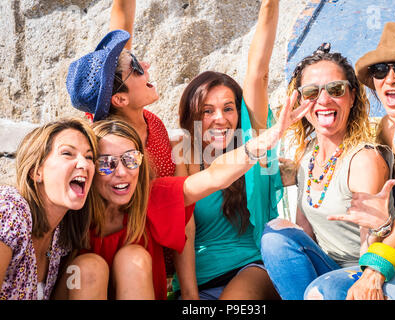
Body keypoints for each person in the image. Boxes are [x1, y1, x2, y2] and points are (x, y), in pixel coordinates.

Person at [54, 87, 309, 299]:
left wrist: (264, 140)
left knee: (132, 257)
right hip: (80, 288)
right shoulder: (75, 204)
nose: (121, 172)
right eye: (106, 163)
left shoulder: (151, 197)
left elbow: (213, 176)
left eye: (130, 159)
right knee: (89, 267)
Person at [303, 21, 395, 300]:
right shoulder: (390, 129)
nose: (390, 79)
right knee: (323, 291)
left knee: (384, 291)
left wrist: (376, 270)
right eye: (381, 70)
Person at [259, 42, 395, 300]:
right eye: (311, 92)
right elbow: (304, 232)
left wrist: (369, 276)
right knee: (275, 234)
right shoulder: (307, 155)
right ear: (300, 101)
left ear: (352, 96)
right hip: (332, 268)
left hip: (377, 269)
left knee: (323, 291)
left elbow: (372, 243)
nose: (323, 100)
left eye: (336, 89)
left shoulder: (363, 159)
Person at [65, 0, 195, 289]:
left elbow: (180, 208)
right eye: (137, 66)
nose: (146, 64)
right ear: (119, 99)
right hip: (94, 270)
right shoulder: (100, 138)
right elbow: (119, 28)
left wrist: (190, 295)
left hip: (144, 262)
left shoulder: (156, 126)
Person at [172, 0, 284, 300]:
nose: (219, 118)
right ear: (192, 115)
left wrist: (269, 5)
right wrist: (191, 298)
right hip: (198, 282)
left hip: (250, 269)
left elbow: (258, 71)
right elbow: (185, 234)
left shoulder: (253, 143)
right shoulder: (184, 155)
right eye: (207, 110)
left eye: (228, 108)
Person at [0, 118, 98, 300]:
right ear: (37, 171)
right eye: (68, 153)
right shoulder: (9, 208)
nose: (84, 164)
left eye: (89, 157)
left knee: (92, 265)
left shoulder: (61, 238)